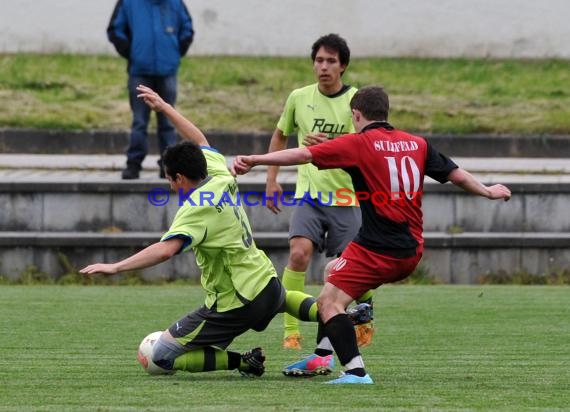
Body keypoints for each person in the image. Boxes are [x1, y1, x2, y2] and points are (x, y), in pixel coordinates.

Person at [80, 85, 370, 378]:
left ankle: (245, 362)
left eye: (169, 180)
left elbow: (166, 250)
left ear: (180, 178)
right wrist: (165, 107)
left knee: (161, 356)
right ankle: (339, 313)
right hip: (264, 279)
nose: (170, 186)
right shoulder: (217, 172)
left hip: (238, 302)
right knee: (282, 301)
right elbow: (199, 139)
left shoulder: (195, 209)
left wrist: (116, 266)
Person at [232, 85, 512, 384]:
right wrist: (486, 191)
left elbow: (304, 153)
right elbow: (454, 173)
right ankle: (323, 355)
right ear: (386, 112)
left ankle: (355, 371)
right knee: (332, 272)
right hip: (408, 245)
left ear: (356, 114)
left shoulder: (359, 143)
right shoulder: (416, 143)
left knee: (329, 304)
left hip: (381, 250)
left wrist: (255, 159)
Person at [265, 33, 374, 350]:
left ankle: (364, 318)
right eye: (319, 60)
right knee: (298, 254)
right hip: (309, 195)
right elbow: (280, 136)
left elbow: (367, 146)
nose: (323, 67)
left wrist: (329, 146)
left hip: (347, 196)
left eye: (330, 61)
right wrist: (272, 180)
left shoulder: (357, 100)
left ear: (343, 67)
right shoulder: (299, 97)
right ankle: (291, 331)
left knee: (351, 267)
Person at [107, 0, 194, 179]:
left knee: (168, 123)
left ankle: (168, 167)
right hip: (140, 72)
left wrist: (174, 52)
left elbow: (187, 29)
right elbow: (115, 30)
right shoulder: (128, 3)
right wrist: (131, 53)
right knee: (139, 122)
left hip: (167, 72)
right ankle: (133, 165)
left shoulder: (176, 3)